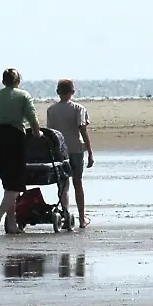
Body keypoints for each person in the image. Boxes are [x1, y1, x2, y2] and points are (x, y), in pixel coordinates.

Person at [0, 68, 41, 234]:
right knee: (16, 184)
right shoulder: (23, 96)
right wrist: (37, 133)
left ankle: (11, 224)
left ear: (3, 81)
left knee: (9, 184)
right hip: (14, 139)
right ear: (18, 81)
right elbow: (32, 118)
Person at [46, 79, 94, 229]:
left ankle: (66, 214)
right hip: (75, 149)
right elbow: (82, 129)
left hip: (60, 150)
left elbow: (51, 133)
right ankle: (81, 218)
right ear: (73, 91)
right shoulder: (78, 108)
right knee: (78, 182)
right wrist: (90, 152)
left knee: (63, 184)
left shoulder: (51, 110)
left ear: (58, 92)